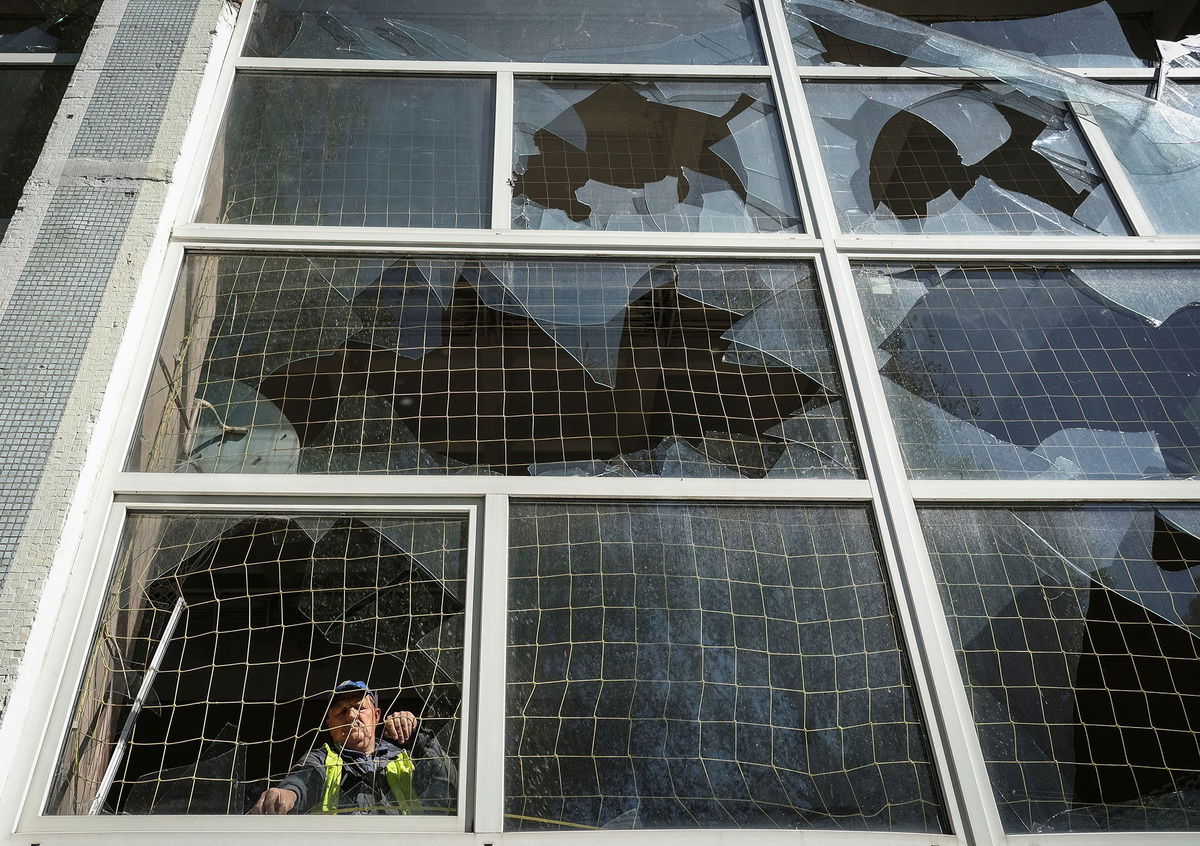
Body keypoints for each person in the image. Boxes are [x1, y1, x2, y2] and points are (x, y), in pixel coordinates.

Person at [250, 680, 456, 815]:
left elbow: (449, 792)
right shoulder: (322, 758)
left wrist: (418, 736)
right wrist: (286, 795)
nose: (351, 715)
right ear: (330, 725)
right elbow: (303, 781)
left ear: (376, 716)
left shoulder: (405, 758)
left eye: (359, 707)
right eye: (341, 712)